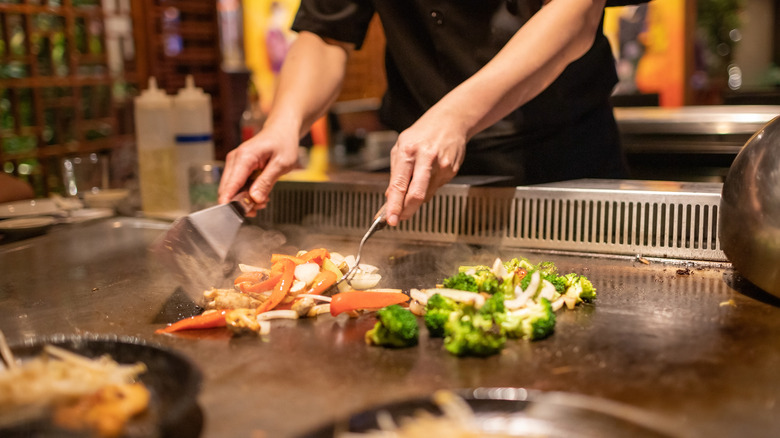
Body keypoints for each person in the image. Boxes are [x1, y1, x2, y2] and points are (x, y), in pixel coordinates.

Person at [218, 0, 647, 226]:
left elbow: (578, 9)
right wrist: (283, 123)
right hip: (428, 173)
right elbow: (327, 33)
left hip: (565, 161)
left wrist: (457, 114)